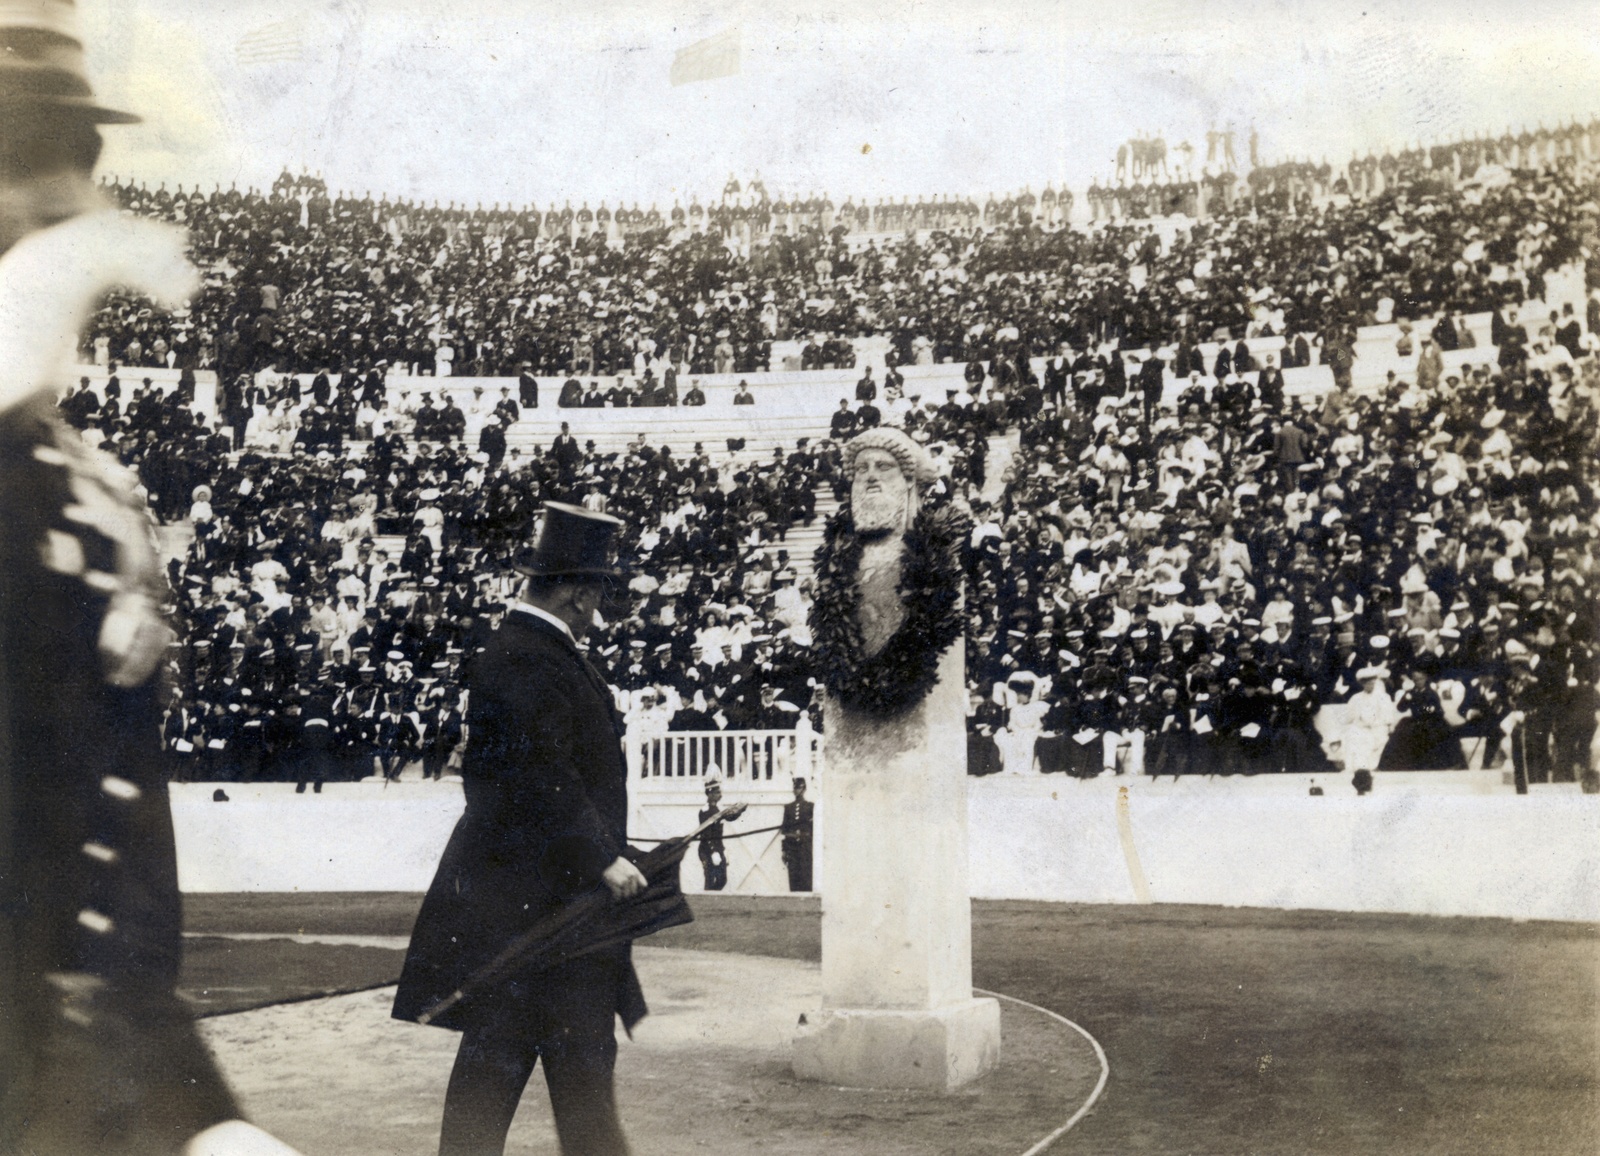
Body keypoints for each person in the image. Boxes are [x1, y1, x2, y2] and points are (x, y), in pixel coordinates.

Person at [0, 7, 304, 1154]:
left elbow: (102, 915)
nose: (62, 200)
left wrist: (201, 1126)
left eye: (75, 159)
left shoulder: (86, 498)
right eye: (17, 160)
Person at [393, 503, 648, 1156]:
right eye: (597, 596)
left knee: (532, 1074)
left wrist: (608, 855)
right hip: (544, 917)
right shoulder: (531, 657)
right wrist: (603, 860)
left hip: (538, 914)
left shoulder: (530, 650)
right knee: (539, 1077)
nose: (599, 611)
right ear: (577, 591)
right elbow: (543, 774)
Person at [696, 775, 736, 891]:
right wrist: (713, 851)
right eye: (717, 792)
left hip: (718, 848)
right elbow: (705, 833)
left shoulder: (717, 810)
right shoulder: (705, 811)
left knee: (722, 879)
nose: (720, 795)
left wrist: (723, 850)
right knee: (709, 879)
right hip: (707, 850)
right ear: (710, 794)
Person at [780, 777, 814, 892]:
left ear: (804, 789)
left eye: (799, 788)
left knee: (806, 877)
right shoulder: (788, 808)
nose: (796, 790)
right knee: (793, 877)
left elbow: (813, 829)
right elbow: (784, 831)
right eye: (795, 788)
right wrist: (784, 850)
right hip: (792, 848)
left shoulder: (810, 807)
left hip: (806, 848)